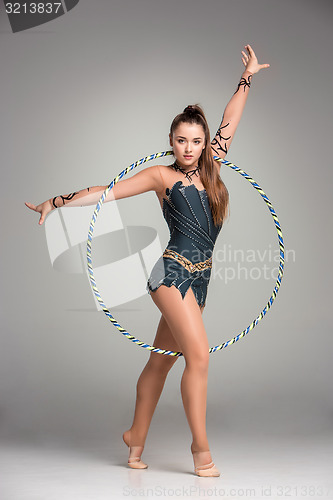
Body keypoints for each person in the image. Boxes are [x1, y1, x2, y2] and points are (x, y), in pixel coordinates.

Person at [25, 44, 269, 477]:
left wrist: (247, 77)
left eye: (197, 140)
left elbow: (232, 118)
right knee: (201, 357)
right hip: (171, 273)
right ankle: (202, 453)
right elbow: (108, 192)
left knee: (160, 361)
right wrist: (56, 201)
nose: (189, 148)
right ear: (170, 141)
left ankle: (135, 439)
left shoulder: (214, 165)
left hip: (202, 279)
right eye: (181, 140)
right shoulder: (162, 176)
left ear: (204, 142)